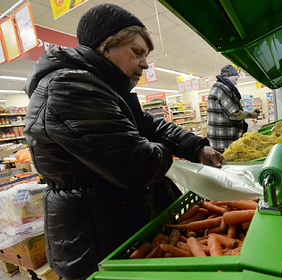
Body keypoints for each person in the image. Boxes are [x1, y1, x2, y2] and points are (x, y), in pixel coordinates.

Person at [23, 3, 226, 280]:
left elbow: (148, 124)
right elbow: (137, 165)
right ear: (106, 47)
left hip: (117, 225)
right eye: (137, 52)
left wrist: (195, 147)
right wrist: (165, 153)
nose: (144, 63)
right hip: (95, 240)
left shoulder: (104, 87)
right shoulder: (68, 88)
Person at [207, 65, 260, 153]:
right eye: (235, 79)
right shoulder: (222, 88)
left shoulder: (220, 88)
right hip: (223, 141)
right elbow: (233, 114)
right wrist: (251, 114)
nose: (236, 83)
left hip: (222, 138)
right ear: (228, 76)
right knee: (227, 164)